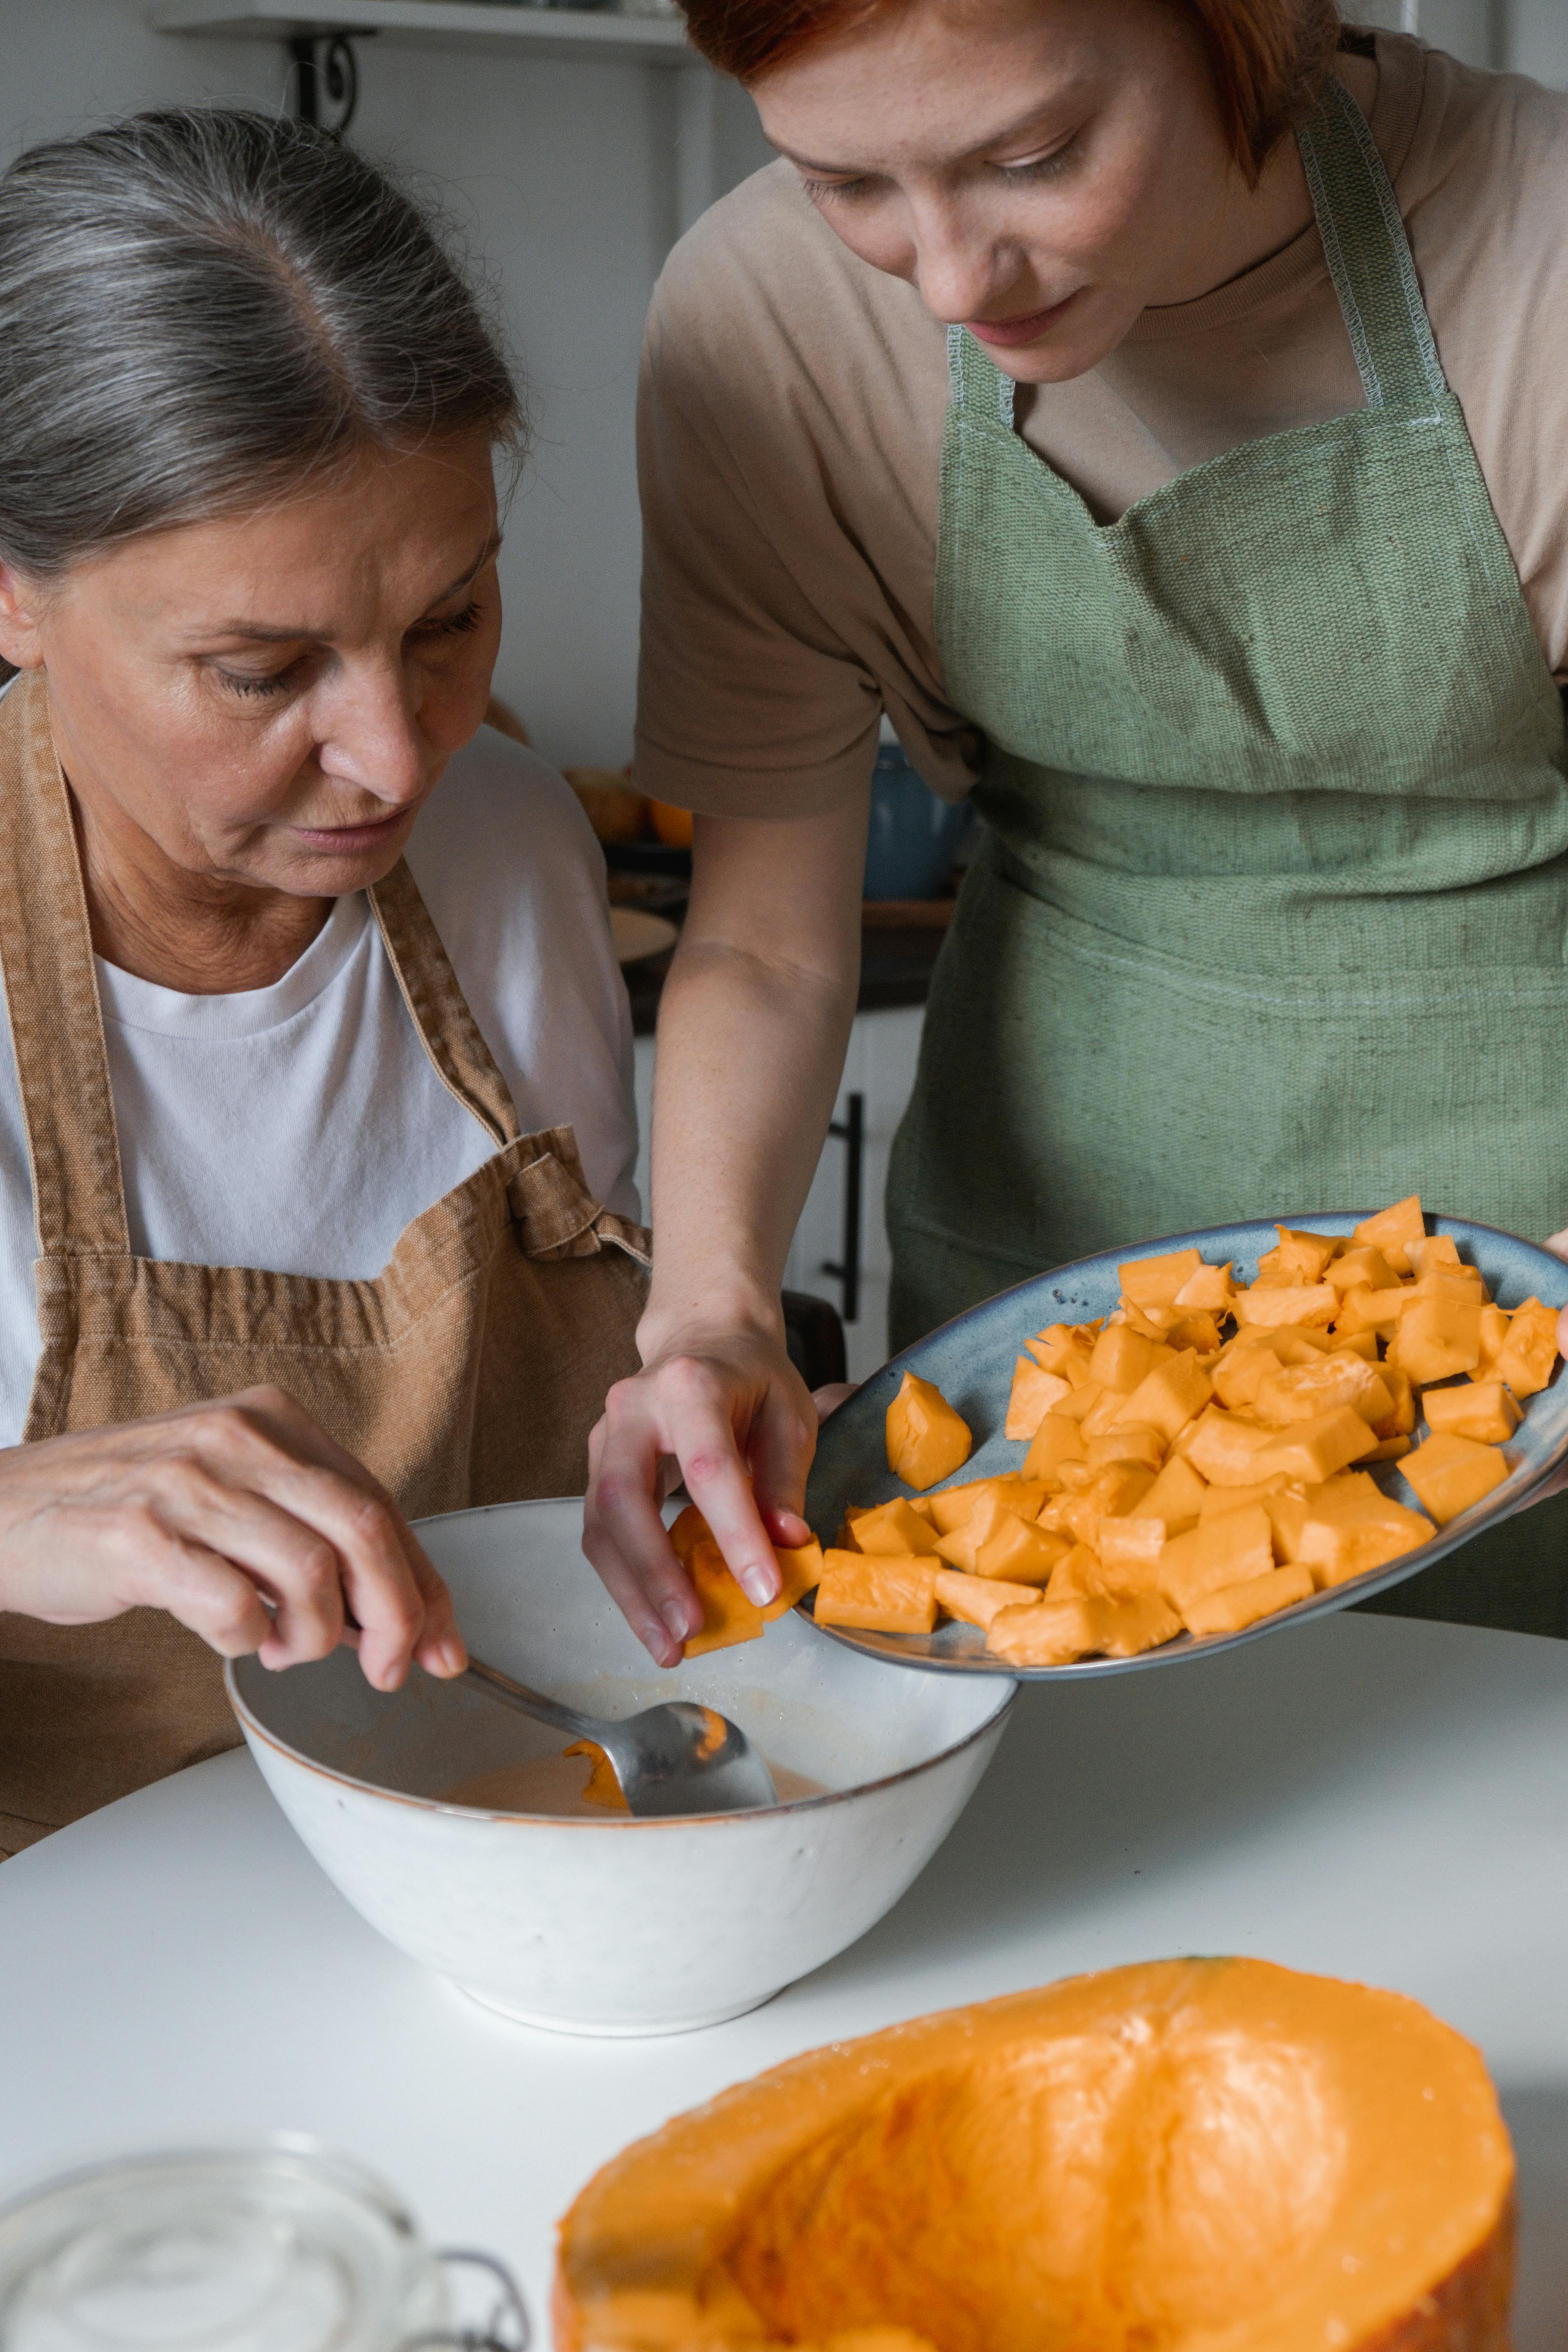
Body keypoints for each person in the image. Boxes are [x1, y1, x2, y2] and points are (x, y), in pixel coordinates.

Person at [584, 0, 1568, 1657]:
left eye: (1032, 157)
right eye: (845, 180)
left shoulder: (1536, 252)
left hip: (1526, 1259)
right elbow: (759, 936)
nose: (955, 280)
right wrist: (706, 1308)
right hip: (1038, 1271)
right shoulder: (765, 323)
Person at [0, 110, 648, 1858]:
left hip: (516, 1852)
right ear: (14, 595)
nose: (394, 755)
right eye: (263, 666)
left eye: (450, 619)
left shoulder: (512, 847)